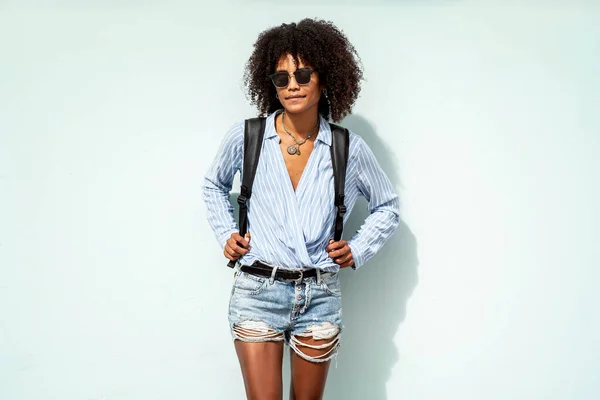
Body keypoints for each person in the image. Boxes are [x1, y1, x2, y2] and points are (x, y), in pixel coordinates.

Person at [203, 18, 400, 400]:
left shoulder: (347, 148)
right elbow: (213, 185)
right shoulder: (248, 136)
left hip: (320, 295)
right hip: (257, 290)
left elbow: (387, 206)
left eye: (303, 74)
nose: (292, 85)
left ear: (324, 80)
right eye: (281, 78)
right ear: (270, 84)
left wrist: (358, 249)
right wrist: (226, 233)